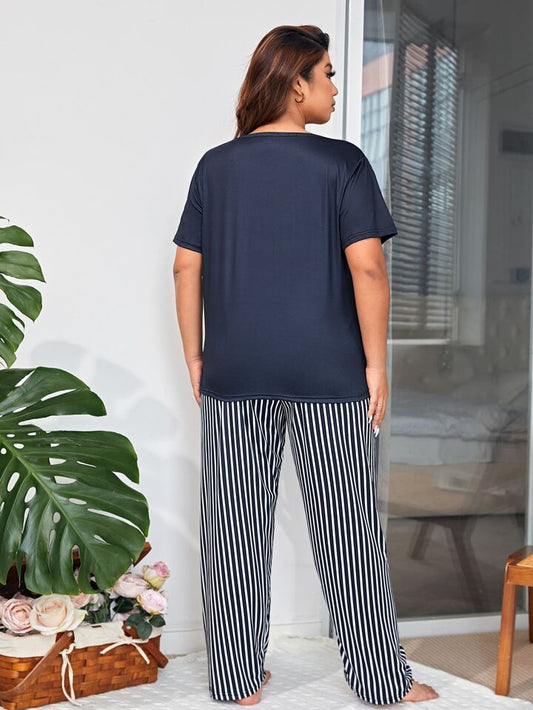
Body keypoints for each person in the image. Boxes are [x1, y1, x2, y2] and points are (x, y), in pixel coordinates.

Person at [172, 24, 439, 707]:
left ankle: (235, 680)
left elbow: (185, 267)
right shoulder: (342, 163)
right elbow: (368, 268)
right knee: (349, 531)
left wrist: (196, 355)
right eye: (327, 74)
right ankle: (381, 681)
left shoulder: (214, 167)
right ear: (296, 83)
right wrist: (375, 365)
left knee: (232, 531)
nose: (335, 88)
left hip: (235, 371)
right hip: (328, 372)